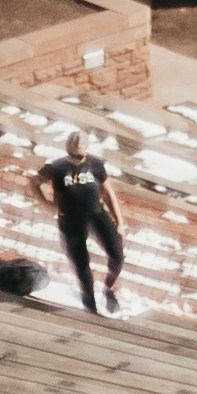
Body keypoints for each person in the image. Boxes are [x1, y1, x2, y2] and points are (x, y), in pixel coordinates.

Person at [37, 134, 122, 318]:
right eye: (72, 155)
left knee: (117, 255)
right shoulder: (57, 167)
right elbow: (34, 182)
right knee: (82, 267)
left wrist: (119, 220)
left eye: (80, 156)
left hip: (96, 215)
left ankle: (108, 289)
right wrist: (44, 203)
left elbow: (108, 193)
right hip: (70, 221)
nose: (76, 159)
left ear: (86, 151)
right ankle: (91, 310)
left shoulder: (95, 164)